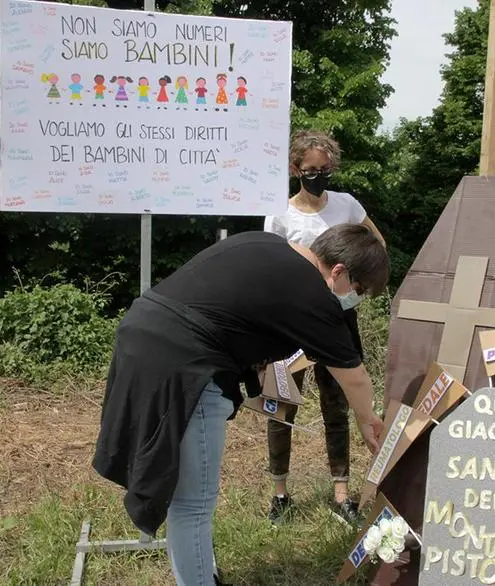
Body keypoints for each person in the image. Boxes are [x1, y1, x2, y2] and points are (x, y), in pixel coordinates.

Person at [92, 224, 388, 586]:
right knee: (193, 503)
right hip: (188, 367)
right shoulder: (311, 291)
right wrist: (367, 421)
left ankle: (202, 570)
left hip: (142, 335)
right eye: (357, 291)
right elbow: (353, 377)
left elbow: (234, 312)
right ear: (339, 272)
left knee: (183, 492)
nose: (352, 300)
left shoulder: (264, 244)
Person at [263, 130, 386, 525]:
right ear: (294, 168)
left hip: (337, 318)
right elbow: (271, 266)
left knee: (336, 403)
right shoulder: (280, 213)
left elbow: (376, 248)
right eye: (309, 169)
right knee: (282, 405)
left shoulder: (347, 205)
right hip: (290, 323)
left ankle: (342, 494)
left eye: (324, 168)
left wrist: (356, 294)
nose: (317, 175)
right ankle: (280, 494)